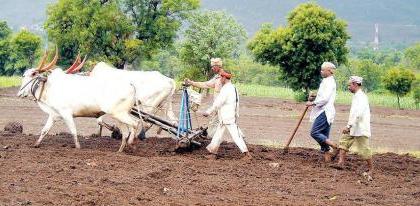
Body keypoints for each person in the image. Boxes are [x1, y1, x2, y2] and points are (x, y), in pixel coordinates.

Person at [202, 70, 252, 160]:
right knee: (218, 134)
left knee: (236, 135)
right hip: (227, 116)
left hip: (227, 117)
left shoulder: (226, 89)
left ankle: (246, 154)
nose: (220, 79)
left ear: (224, 78)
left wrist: (208, 111)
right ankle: (213, 153)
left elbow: (218, 102)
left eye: (221, 77)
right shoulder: (233, 88)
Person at [333, 76, 374, 180]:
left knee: (364, 149)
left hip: (360, 127)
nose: (348, 87)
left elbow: (358, 114)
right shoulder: (356, 96)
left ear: (355, 84)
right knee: (344, 141)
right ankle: (341, 163)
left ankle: (371, 168)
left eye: (349, 85)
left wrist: (348, 126)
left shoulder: (361, 97)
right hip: (352, 126)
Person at [306, 62, 339, 162]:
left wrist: (312, 103)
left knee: (315, 132)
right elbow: (323, 96)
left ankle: (335, 146)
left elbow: (325, 99)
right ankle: (327, 158)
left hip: (325, 111)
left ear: (329, 71)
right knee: (324, 136)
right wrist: (315, 96)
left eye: (323, 70)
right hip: (323, 110)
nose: (321, 71)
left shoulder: (329, 82)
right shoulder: (326, 81)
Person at [184, 58, 225, 138]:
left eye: (213, 66)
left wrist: (209, 111)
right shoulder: (217, 77)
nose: (212, 68)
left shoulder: (223, 78)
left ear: (218, 66)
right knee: (226, 124)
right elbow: (206, 84)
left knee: (217, 124)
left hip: (222, 106)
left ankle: (211, 140)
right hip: (218, 107)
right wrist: (192, 83)